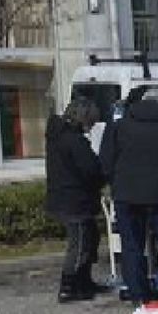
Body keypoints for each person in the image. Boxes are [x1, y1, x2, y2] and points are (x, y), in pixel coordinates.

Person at [99, 89, 158, 305]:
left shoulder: (120, 126)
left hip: (126, 194)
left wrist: (115, 185)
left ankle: (138, 295)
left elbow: (105, 161)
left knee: (131, 246)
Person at [45, 97, 108, 303]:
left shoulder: (58, 137)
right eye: (90, 122)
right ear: (82, 118)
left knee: (89, 237)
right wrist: (103, 174)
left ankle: (83, 281)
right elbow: (90, 169)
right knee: (80, 243)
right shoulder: (73, 140)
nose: (90, 127)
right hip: (74, 200)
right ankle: (69, 286)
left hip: (65, 197)